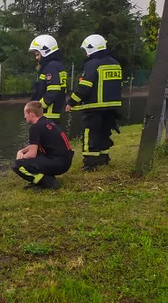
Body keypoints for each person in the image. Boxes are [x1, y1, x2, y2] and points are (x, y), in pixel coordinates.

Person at [65, 34, 123, 170]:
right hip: (112, 107)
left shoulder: (92, 64)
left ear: (91, 49)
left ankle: (90, 163)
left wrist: (71, 102)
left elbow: (84, 87)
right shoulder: (115, 63)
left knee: (91, 133)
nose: (85, 53)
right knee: (105, 132)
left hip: (94, 107)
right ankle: (103, 158)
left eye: (86, 50)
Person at [12, 101, 74, 189]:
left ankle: (47, 182)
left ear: (31, 113)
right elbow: (36, 144)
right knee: (35, 156)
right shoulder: (47, 122)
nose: (24, 116)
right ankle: (45, 179)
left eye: (25, 113)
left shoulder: (35, 128)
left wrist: (20, 158)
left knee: (17, 165)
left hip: (58, 163)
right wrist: (22, 151)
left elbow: (32, 154)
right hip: (65, 161)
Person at [28, 35, 67, 120]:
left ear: (45, 51)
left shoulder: (51, 67)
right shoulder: (58, 65)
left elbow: (53, 92)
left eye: (38, 54)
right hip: (53, 114)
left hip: (47, 115)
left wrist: (37, 107)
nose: (37, 58)